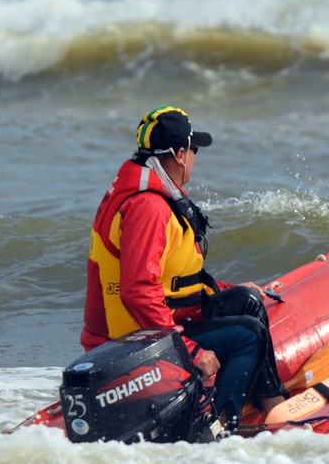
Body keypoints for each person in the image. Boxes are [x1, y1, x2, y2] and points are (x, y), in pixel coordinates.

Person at [81, 105, 286, 427]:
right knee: (248, 335)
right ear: (179, 154)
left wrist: (229, 290)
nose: (194, 158)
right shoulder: (148, 207)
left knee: (245, 301)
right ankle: (220, 426)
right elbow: (138, 291)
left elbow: (169, 279)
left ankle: (272, 403)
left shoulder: (145, 191)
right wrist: (189, 350)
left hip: (143, 329)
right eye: (194, 150)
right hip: (130, 343)